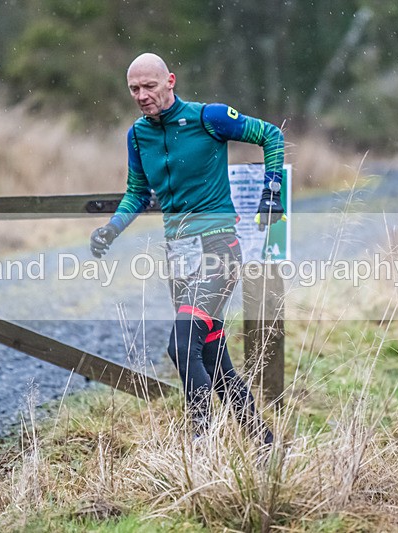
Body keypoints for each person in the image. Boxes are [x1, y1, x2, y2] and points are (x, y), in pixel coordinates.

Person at [90, 53, 285, 444]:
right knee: (214, 361)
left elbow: (271, 135)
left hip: (218, 248)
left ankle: (201, 444)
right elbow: (137, 193)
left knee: (181, 345)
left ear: (170, 81)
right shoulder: (137, 135)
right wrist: (111, 228)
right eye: (134, 89)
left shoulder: (208, 118)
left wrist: (273, 190)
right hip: (178, 256)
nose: (142, 95)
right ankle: (266, 445)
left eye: (149, 86)